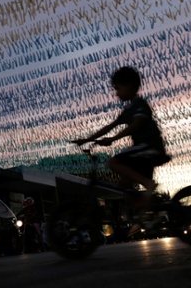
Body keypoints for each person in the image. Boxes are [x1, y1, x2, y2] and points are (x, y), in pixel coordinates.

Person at [72, 66, 170, 236]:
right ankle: (146, 213)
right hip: (143, 152)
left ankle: (147, 186)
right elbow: (109, 126)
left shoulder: (139, 105)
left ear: (130, 86)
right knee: (124, 186)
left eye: (118, 88)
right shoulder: (128, 109)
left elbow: (136, 124)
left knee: (113, 162)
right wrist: (87, 140)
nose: (116, 93)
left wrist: (113, 139)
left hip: (149, 148)